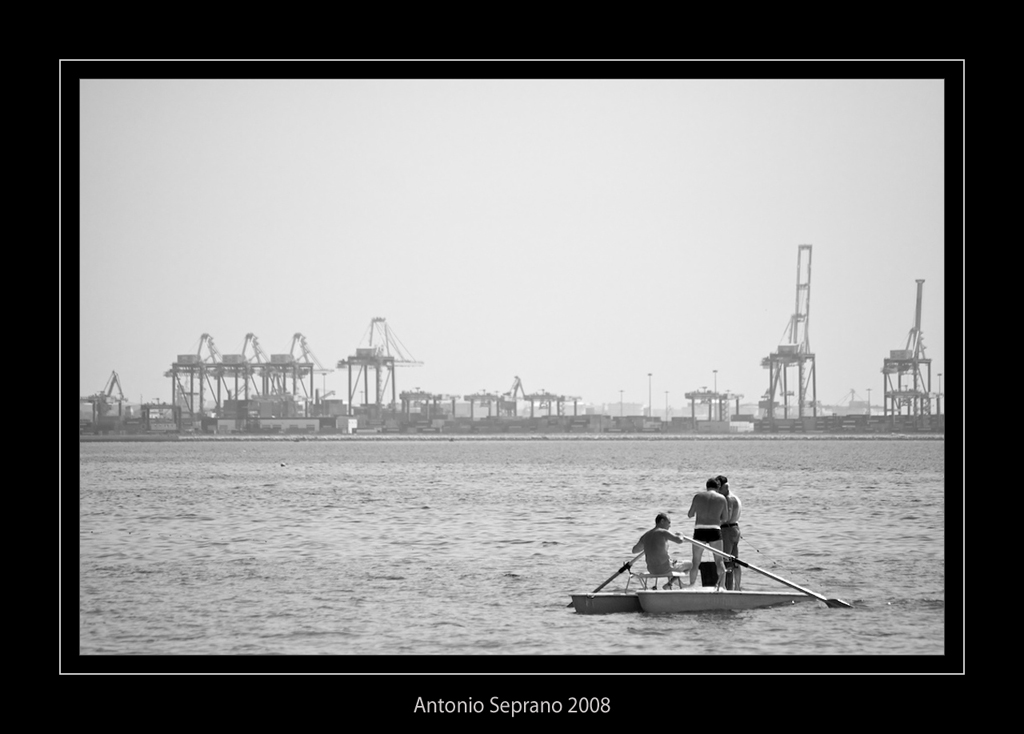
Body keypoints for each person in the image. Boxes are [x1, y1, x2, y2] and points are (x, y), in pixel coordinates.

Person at [687, 477, 730, 589]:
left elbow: (690, 514)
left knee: (695, 562)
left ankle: (692, 585)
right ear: (718, 487)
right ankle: (722, 586)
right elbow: (725, 518)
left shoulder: (698, 496)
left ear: (707, 486)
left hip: (699, 530)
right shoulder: (722, 498)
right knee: (719, 561)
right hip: (715, 529)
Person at [632, 513, 688, 589]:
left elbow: (634, 550)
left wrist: (649, 545)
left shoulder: (646, 535)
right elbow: (679, 541)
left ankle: (671, 584)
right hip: (665, 568)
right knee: (691, 564)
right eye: (669, 523)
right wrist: (681, 535)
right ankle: (669, 584)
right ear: (662, 521)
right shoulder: (663, 532)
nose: (670, 526)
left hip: (652, 570)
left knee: (672, 562)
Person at [715, 474, 742, 591]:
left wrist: (714, 524)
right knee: (735, 560)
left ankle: (725, 587)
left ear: (725, 487)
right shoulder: (735, 498)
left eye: (719, 488)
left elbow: (726, 517)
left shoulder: (727, 499)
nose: (717, 490)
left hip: (727, 530)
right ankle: (737, 587)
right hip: (735, 529)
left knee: (725, 560)